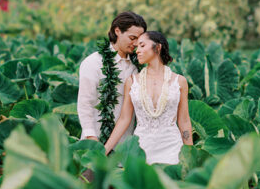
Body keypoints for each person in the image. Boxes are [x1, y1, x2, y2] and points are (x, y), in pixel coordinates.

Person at [103, 31, 192, 163]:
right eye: (137, 47)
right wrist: (104, 150)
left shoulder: (179, 81)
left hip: (172, 149)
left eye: (142, 46)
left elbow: (184, 121)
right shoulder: (132, 81)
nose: (137, 51)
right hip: (141, 149)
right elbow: (124, 119)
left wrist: (190, 156)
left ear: (158, 47)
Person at [77, 11, 147, 142]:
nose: (136, 43)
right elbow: (85, 103)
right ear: (117, 31)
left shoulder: (137, 67)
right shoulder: (93, 63)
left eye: (140, 39)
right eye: (132, 38)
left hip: (126, 143)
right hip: (97, 139)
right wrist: (91, 136)